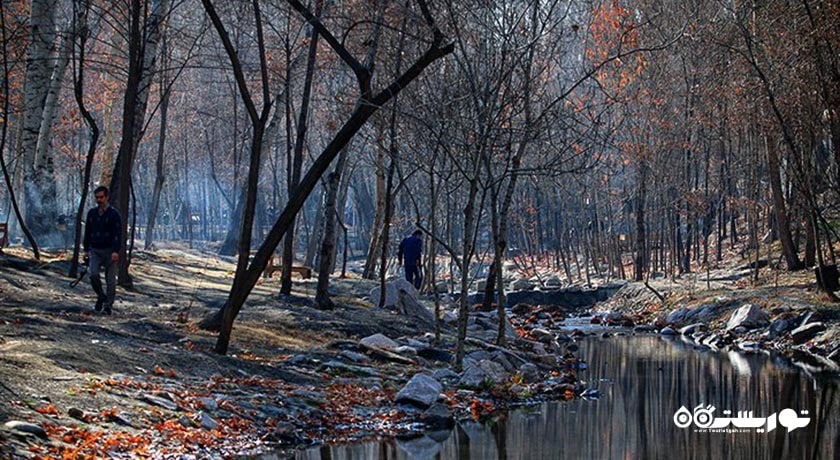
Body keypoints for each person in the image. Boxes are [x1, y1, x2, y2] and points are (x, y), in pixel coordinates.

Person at [83, 186, 121, 315]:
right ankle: (101, 295)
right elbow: (87, 232)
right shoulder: (92, 213)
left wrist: (116, 251)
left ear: (107, 197)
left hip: (110, 250)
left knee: (111, 281)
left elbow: (118, 234)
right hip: (95, 249)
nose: (99, 200)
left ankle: (108, 306)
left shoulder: (114, 214)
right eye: (97, 198)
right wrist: (86, 250)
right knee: (93, 274)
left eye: (101, 197)